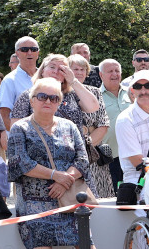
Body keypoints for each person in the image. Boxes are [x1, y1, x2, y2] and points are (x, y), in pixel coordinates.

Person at [7, 78, 106, 249]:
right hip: (34, 198)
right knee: (40, 239)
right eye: (42, 96)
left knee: (85, 239)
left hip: (70, 194)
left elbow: (83, 160)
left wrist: (66, 180)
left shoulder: (69, 126)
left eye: (54, 98)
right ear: (32, 100)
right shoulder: (20, 128)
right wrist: (56, 176)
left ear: (60, 103)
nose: (48, 101)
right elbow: (20, 162)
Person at [10, 54, 104, 196]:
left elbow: (93, 107)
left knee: (84, 214)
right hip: (39, 174)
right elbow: (16, 133)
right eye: (52, 67)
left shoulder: (72, 94)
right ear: (42, 70)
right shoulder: (28, 96)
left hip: (75, 172)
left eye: (62, 69)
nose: (56, 71)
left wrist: (73, 81)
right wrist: (56, 176)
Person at [68, 53, 114, 198]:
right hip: (69, 155)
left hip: (93, 155)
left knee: (100, 198)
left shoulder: (95, 92)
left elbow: (103, 124)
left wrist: (86, 150)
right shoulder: (61, 93)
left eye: (83, 69)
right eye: (75, 69)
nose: (79, 73)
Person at [98, 59, 132, 188]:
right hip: (110, 157)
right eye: (110, 71)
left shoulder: (131, 93)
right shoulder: (95, 96)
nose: (114, 74)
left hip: (132, 154)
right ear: (101, 75)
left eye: (117, 71)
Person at [0, 36, 40, 130]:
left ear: (38, 53)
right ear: (17, 53)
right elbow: (4, 116)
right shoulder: (10, 80)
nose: (29, 53)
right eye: (24, 49)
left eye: (33, 49)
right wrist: (20, 136)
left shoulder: (45, 77)